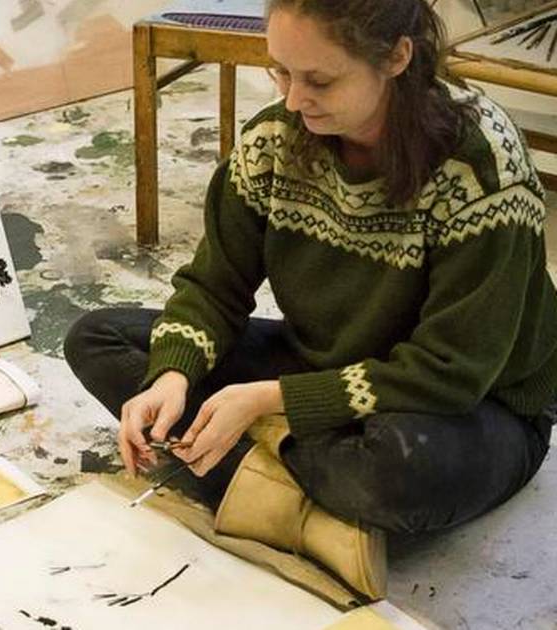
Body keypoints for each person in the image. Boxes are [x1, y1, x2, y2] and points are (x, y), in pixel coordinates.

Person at [64, 0, 556, 600]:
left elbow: (451, 370)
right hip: (324, 367)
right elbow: (214, 286)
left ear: (396, 57)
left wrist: (270, 399)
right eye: (280, 72)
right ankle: (302, 497)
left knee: (393, 469)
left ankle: (250, 474)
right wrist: (173, 375)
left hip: (472, 405)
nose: (295, 100)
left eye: (320, 79)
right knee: (99, 340)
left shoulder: (479, 163)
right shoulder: (275, 139)